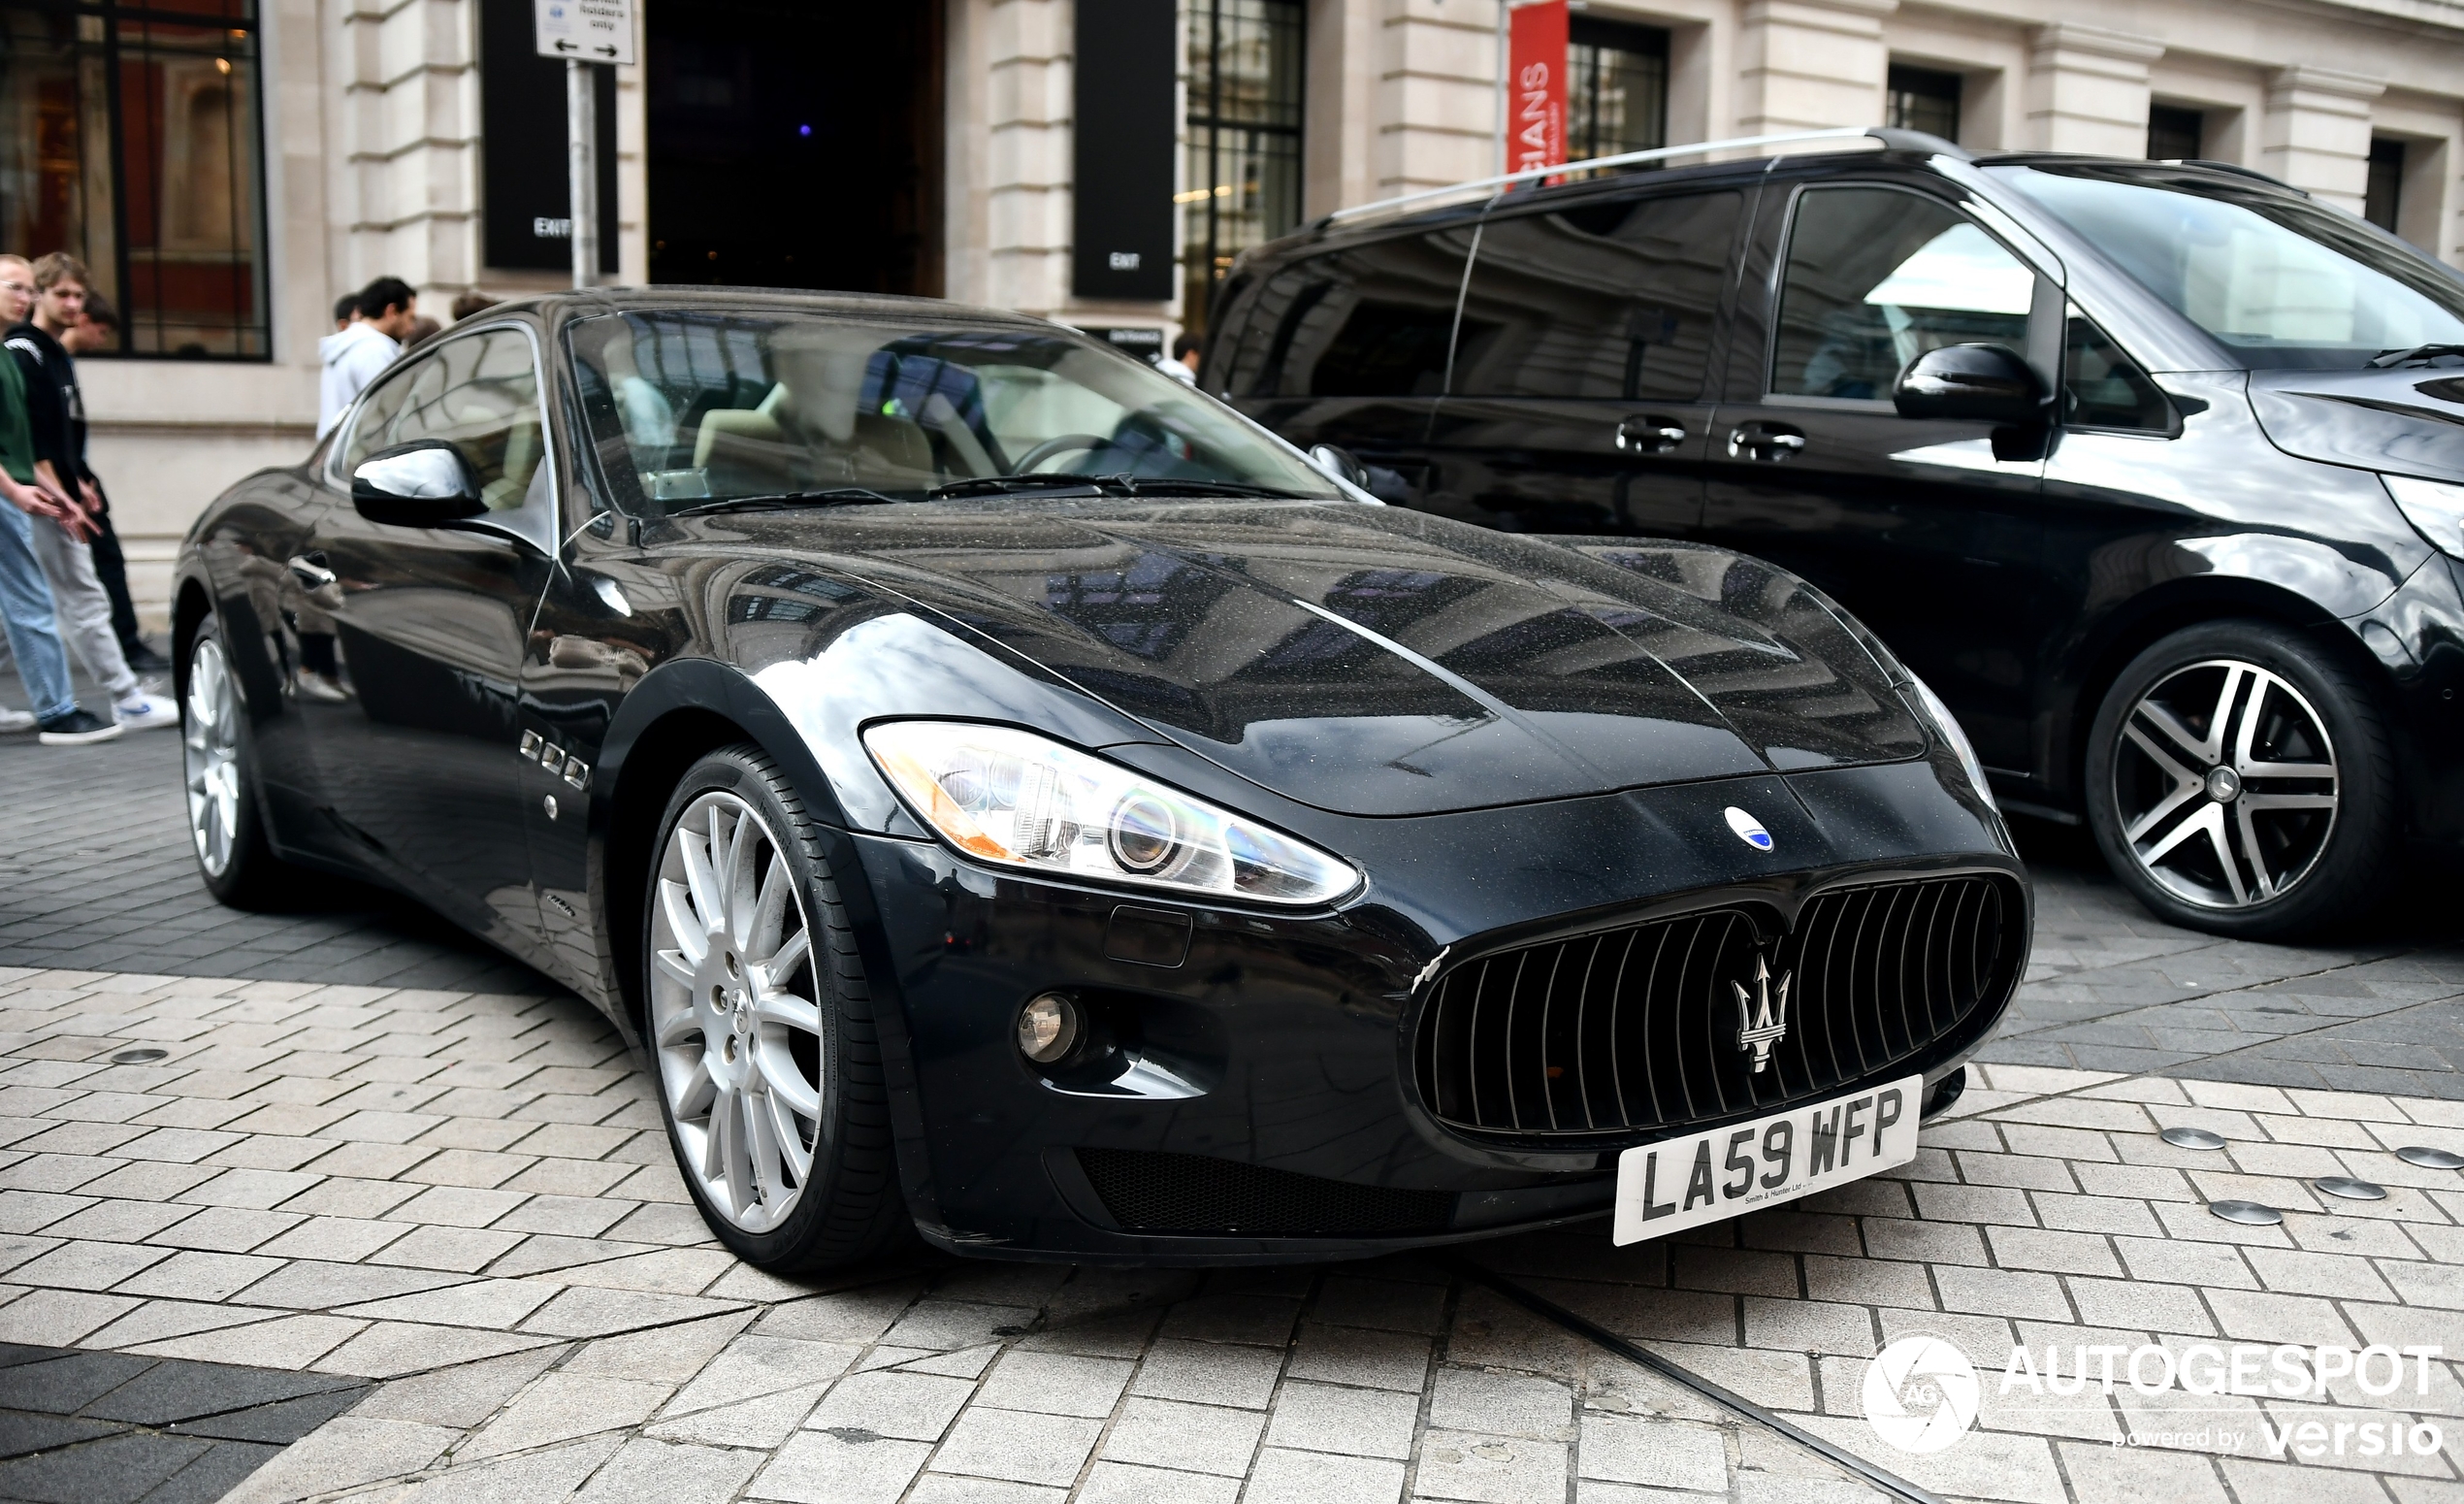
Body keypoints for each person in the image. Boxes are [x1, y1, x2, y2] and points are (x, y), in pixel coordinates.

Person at [2, 254, 177, 730]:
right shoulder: (24, 351)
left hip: (36, 490)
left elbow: (49, 436)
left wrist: (76, 478)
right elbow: (26, 441)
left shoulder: (46, 352)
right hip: (29, 495)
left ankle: (113, 697)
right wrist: (55, 493)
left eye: (78, 294)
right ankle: (117, 698)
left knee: (32, 599)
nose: (73, 303)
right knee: (70, 595)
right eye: (60, 293)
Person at [0, 255, 116, 744]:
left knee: (24, 600)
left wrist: (59, 491)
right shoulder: (20, 351)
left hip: (20, 489)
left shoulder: (9, 355)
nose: (25, 298)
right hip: (10, 494)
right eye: (15, 287)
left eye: (29, 289)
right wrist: (14, 490)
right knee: (31, 600)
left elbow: (24, 441)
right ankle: (57, 711)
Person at [52, 289, 156, 670]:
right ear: (83, 321)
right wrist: (74, 479)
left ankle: (124, 645)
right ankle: (125, 649)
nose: (102, 340)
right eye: (101, 331)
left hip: (72, 476)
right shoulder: (48, 360)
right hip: (65, 480)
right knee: (97, 567)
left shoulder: (61, 362)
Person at [317, 276, 416, 437]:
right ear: (392, 311)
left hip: (336, 453)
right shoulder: (375, 351)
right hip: (363, 456)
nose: (412, 328)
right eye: (410, 317)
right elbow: (386, 416)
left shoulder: (344, 346)